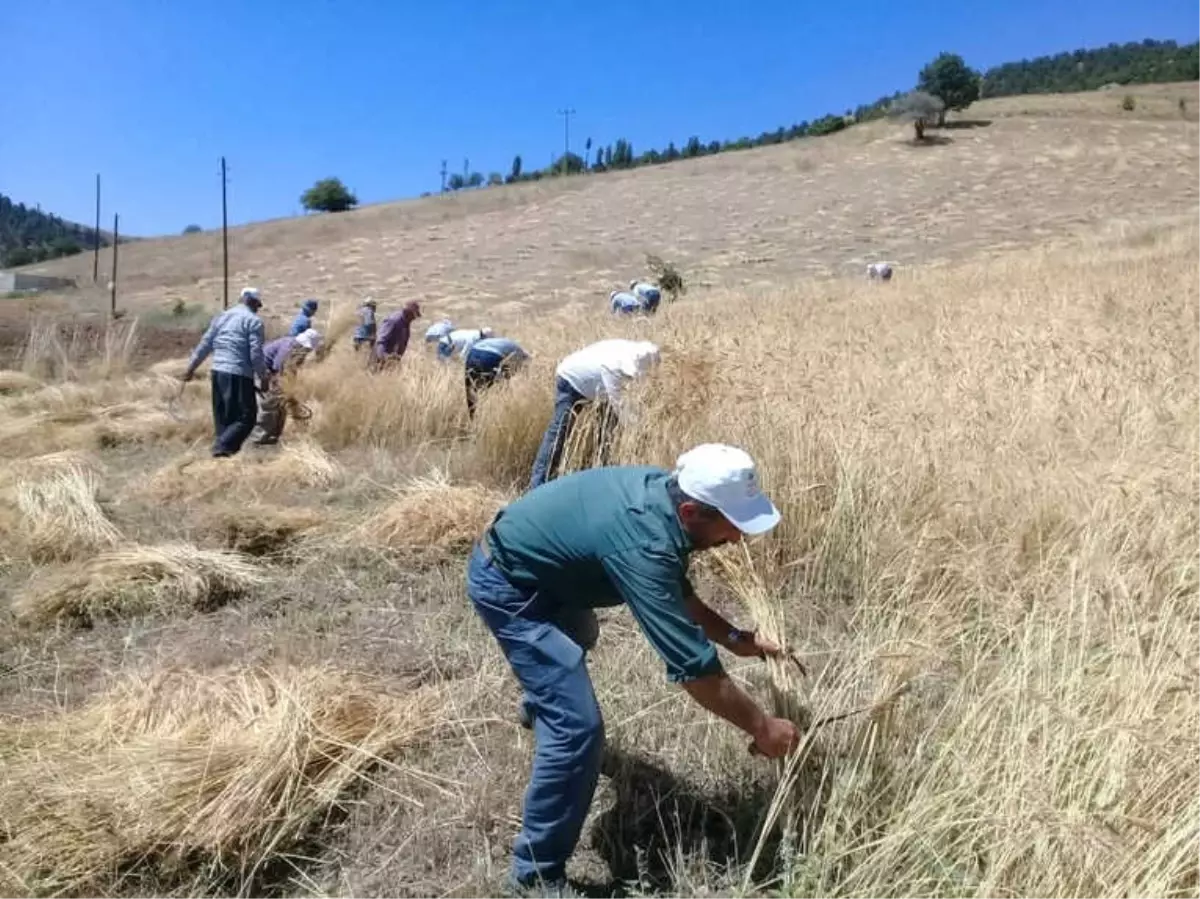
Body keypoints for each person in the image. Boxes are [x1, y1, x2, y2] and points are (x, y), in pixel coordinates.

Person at [467, 443, 800, 895]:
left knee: (580, 638)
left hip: (547, 576)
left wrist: (737, 639)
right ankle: (535, 876)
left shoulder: (661, 497)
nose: (738, 539)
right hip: (511, 587)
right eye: (733, 525)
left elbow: (677, 594)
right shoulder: (644, 540)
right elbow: (694, 671)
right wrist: (762, 727)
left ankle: (541, 707)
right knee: (577, 730)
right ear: (690, 511)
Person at [528, 339, 660, 490]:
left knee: (608, 431)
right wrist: (643, 433)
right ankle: (538, 485)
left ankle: (601, 474)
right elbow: (621, 408)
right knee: (559, 432)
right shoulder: (614, 367)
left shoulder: (644, 354)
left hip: (596, 383)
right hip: (571, 379)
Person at [182, 287, 268, 458]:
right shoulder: (253, 321)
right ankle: (221, 449)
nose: (258, 308)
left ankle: (224, 459)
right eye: (257, 304)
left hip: (218, 371)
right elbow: (255, 353)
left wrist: (190, 368)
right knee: (247, 417)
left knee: (224, 417)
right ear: (251, 301)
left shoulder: (222, 317)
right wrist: (263, 377)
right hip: (239, 373)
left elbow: (205, 344)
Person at [253, 328, 322, 445]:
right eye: (308, 348)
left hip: (274, 374)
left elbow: (291, 372)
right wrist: (281, 389)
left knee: (282, 406)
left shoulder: (299, 351)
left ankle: (273, 437)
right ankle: (259, 439)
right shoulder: (288, 348)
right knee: (269, 405)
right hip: (262, 372)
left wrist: (289, 391)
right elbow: (277, 369)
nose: (308, 351)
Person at [463, 336, 530, 419]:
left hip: (473, 351)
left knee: (471, 388)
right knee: (488, 391)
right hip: (490, 355)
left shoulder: (511, 346)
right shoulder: (520, 355)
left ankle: (472, 418)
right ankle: (486, 419)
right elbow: (511, 373)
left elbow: (506, 369)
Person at [373, 301, 422, 370]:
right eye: (414, 315)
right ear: (408, 313)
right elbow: (381, 340)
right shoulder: (394, 320)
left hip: (391, 359)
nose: (414, 318)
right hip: (381, 358)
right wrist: (382, 357)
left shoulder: (406, 322)